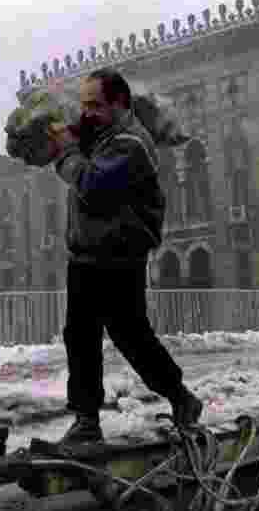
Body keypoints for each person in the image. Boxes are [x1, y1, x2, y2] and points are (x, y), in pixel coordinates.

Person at [42, 69, 203, 450]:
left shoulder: (130, 144)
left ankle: (178, 397)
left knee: (128, 334)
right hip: (90, 253)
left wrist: (65, 150)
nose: (87, 113)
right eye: (84, 105)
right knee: (85, 335)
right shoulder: (105, 137)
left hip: (116, 253)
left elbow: (93, 187)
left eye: (95, 105)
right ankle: (88, 418)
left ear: (120, 104)